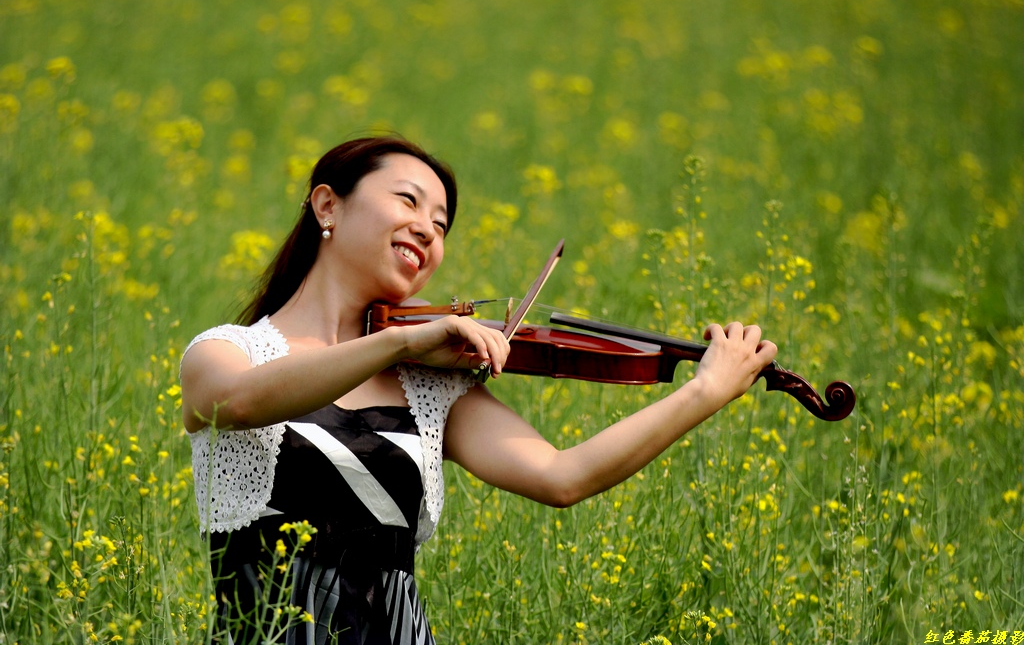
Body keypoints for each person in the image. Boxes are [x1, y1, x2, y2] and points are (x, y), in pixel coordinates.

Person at [179, 135, 778, 645]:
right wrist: (397, 345)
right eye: (407, 201)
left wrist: (704, 393)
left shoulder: (429, 387)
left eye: (441, 225)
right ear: (328, 205)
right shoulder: (226, 352)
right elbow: (234, 403)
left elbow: (561, 477)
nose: (428, 230)